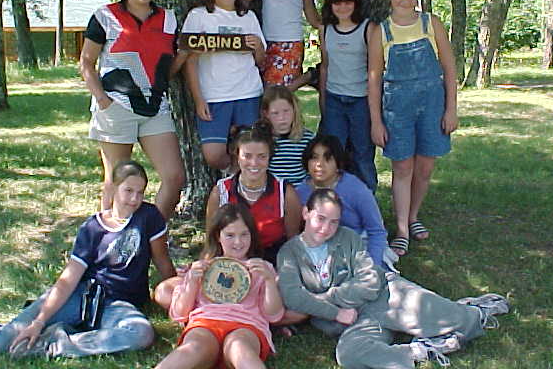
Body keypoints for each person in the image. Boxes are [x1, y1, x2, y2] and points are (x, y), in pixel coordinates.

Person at [0, 160, 176, 359]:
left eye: (140, 192)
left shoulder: (149, 217)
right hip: (80, 296)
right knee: (0, 341)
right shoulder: (93, 228)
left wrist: (178, 296)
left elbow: (162, 261)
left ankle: (53, 344)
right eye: (128, 191)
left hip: (118, 305)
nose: (135, 199)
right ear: (113, 188)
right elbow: (68, 280)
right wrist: (39, 322)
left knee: (140, 334)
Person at [277, 189, 509, 369]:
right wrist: (336, 314)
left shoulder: (347, 237)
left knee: (460, 322)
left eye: (334, 221)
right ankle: (416, 351)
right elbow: (293, 297)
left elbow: (369, 280)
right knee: (349, 354)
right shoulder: (289, 253)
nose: (326, 228)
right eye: (320, 218)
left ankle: (474, 311)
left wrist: (329, 301)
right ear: (306, 213)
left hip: (384, 296)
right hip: (355, 321)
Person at [79, 0, 186, 220]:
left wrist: (185, 55)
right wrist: (103, 101)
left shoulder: (168, 19)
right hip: (116, 107)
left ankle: (151, 233)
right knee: (116, 181)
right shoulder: (105, 16)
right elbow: (86, 62)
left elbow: (166, 71)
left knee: (174, 177)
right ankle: (108, 235)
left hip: (155, 107)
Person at [368, 0, 459, 257]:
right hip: (398, 108)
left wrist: (451, 109)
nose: (405, 1)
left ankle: (413, 216)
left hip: (432, 104)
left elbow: (449, 68)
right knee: (402, 168)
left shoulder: (431, 23)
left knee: (425, 167)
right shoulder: (381, 31)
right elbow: (374, 79)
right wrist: (376, 121)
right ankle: (402, 230)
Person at [155, 203, 284, 369]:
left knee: (240, 347)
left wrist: (269, 281)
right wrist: (192, 282)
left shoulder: (262, 269)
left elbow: (274, 315)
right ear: (218, 236)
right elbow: (180, 314)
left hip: (246, 326)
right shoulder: (203, 268)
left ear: (252, 235)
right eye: (230, 235)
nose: (238, 242)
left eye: (244, 234)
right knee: (194, 347)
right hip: (205, 323)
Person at [183, 0, 267, 170]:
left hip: (248, 93)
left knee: (250, 151)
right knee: (213, 155)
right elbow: (190, 61)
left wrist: (258, 47)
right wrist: (198, 99)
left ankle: (240, 184)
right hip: (214, 96)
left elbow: (260, 60)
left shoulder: (248, 17)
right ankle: (231, 175)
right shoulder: (198, 16)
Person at [206, 120, 302, 265]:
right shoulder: (220, 192)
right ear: (237, 156)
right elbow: (211, 243)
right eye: (247, 156)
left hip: (274, 263)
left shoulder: (285, 193)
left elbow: (293, 243)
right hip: (231, 266)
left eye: (262, 156)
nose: (254, 163)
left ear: (270, 157)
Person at [295, 135, 395, 270]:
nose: (319, 164)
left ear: (338, 163)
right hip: (322, 251)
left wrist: (373, 266)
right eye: (314, 157)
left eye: (327, 158)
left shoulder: (355, 189)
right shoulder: (300, 193)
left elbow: (376, 231)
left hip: (360, 245)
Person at [319, 0, 381, 192]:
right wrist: (323, 101)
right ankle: (332, 200)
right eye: (337, 2)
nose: (343, 7)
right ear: (330, 4)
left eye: (348, 2)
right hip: (334, 99)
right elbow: (325, 66)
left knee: (362, 154)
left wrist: (374, 110)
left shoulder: (368, 28)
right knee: (333, 154)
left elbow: (375, 70)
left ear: (355, 3)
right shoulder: (325, 29)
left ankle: (368, 201)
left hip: (360, 100)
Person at [260, 85, 315, 186]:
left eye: (286, 111)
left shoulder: (307, 138)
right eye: (275, 113)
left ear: (294, 109)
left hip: (301, 190)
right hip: (273, 190)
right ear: (266, 114)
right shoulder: (262, 139)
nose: (282, 117)